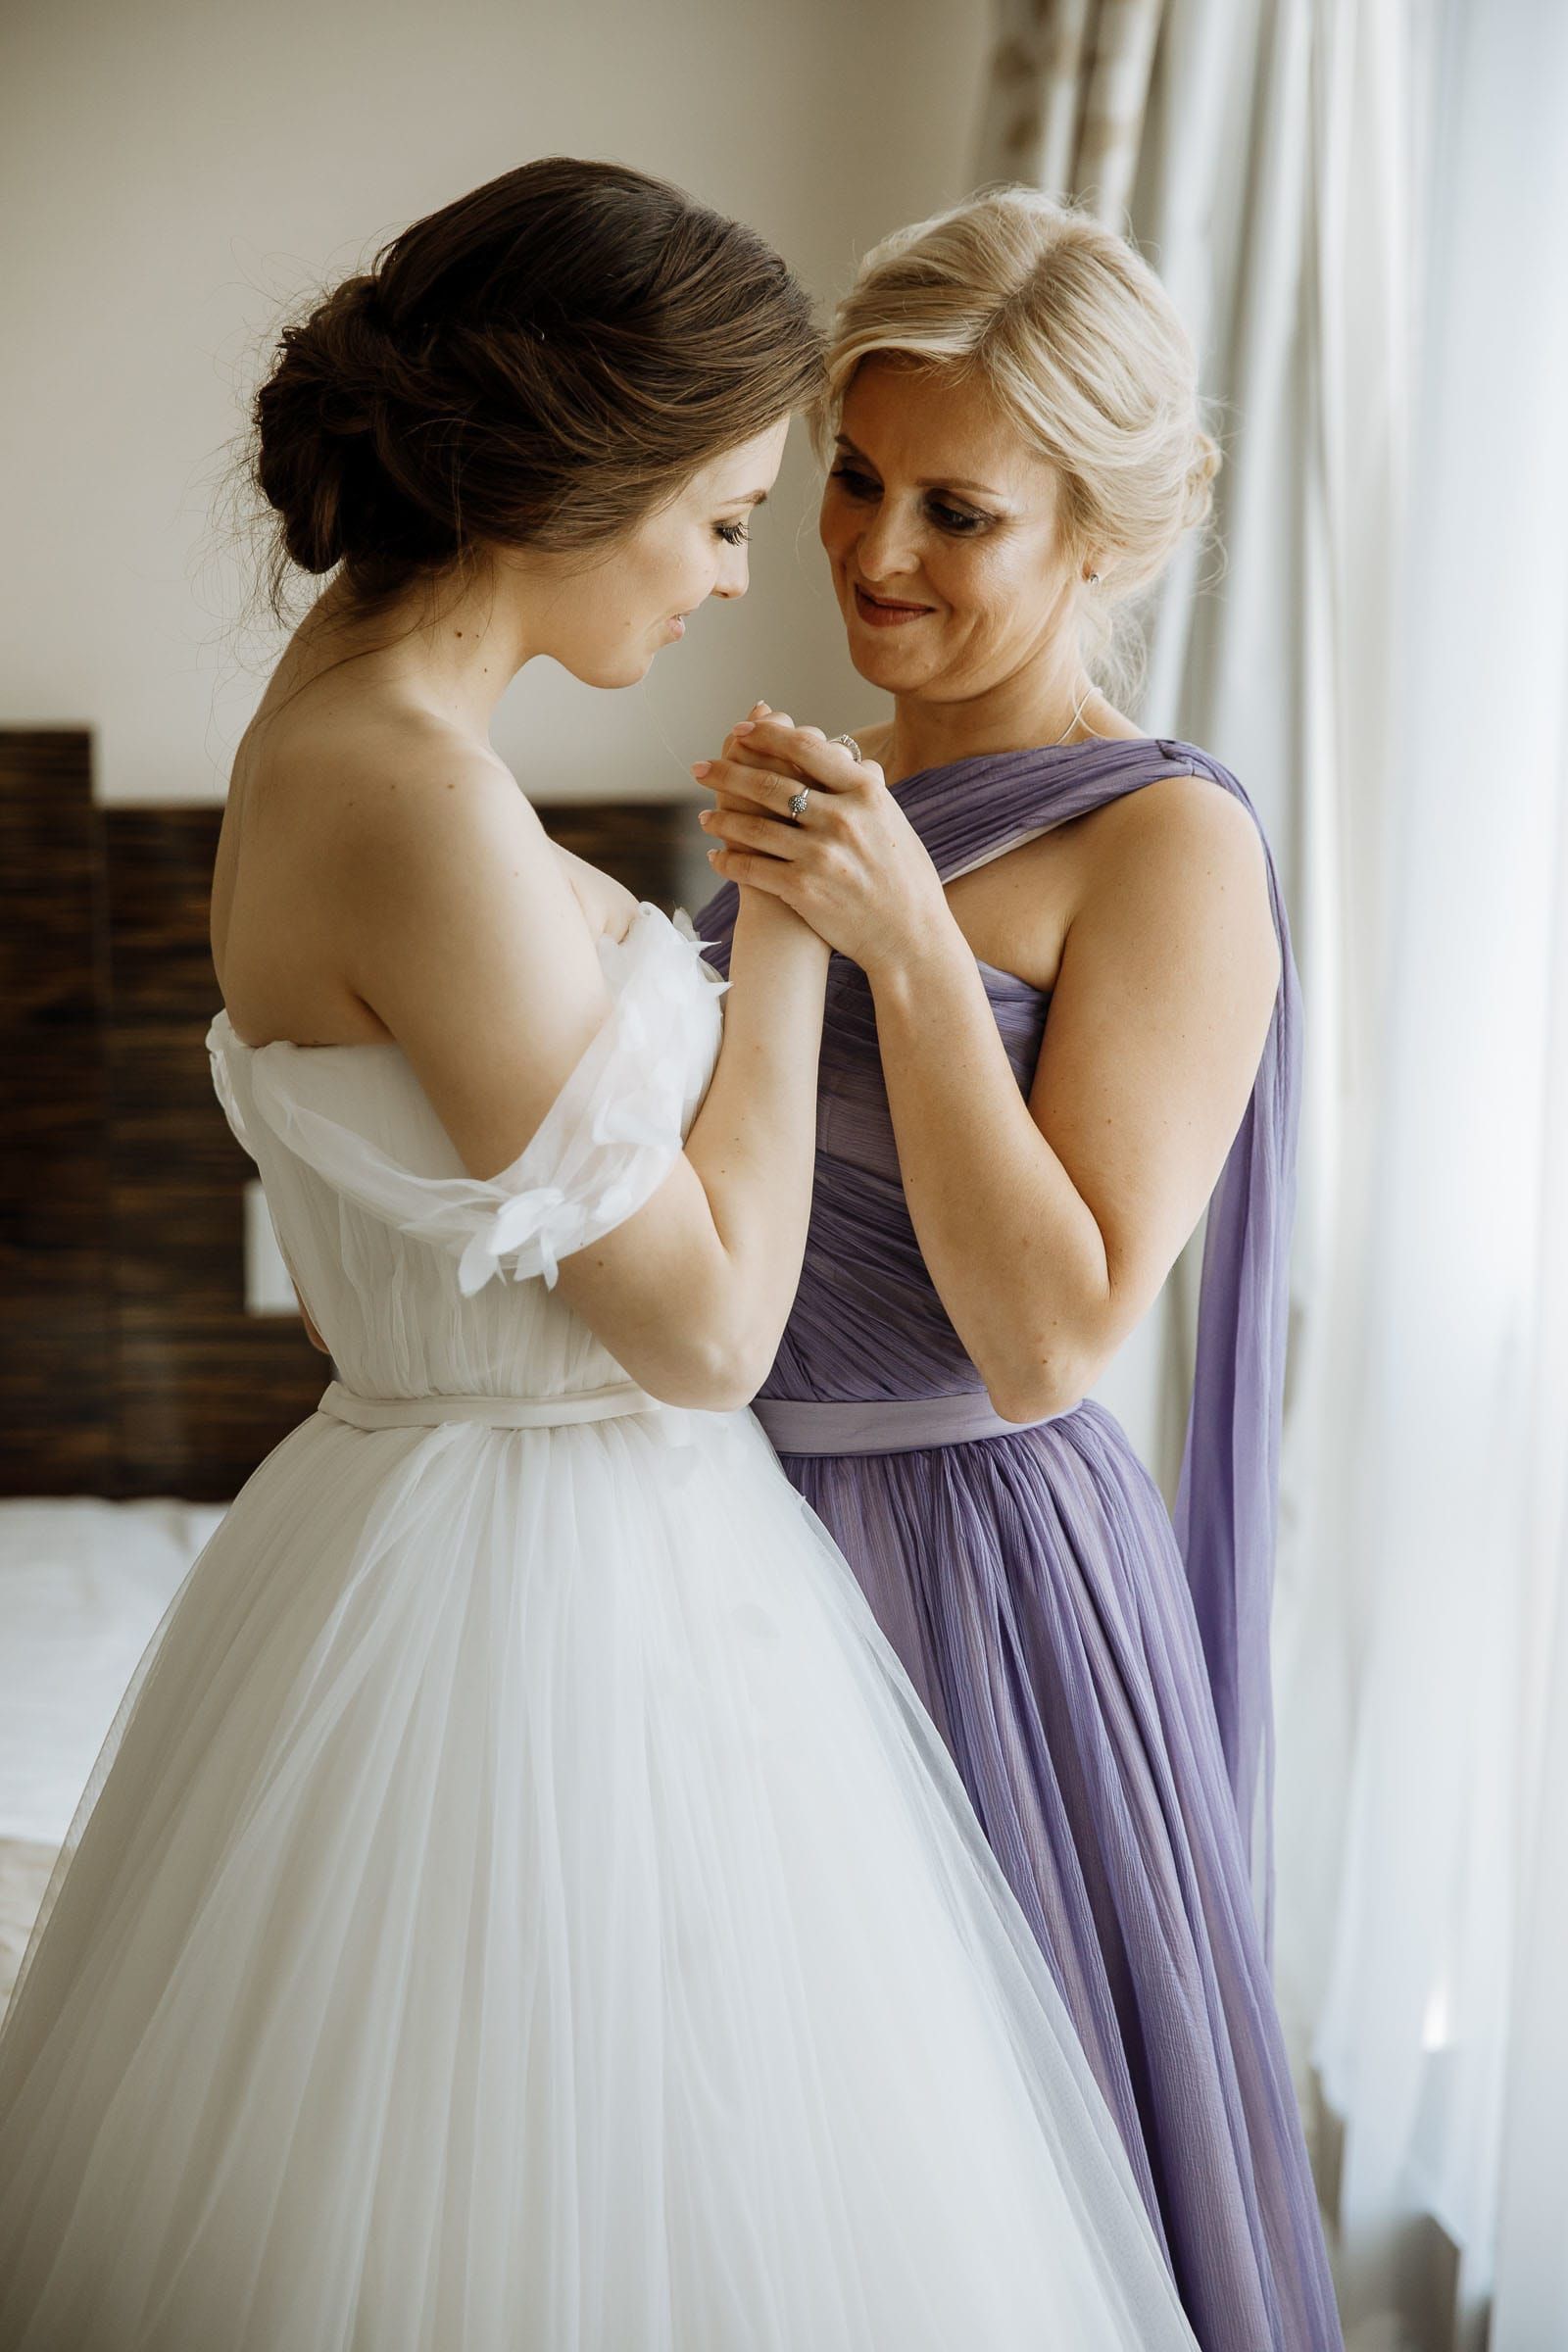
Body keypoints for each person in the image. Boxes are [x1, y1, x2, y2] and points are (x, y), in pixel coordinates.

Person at [0, 161, 1198, 2351]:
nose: (766, 568)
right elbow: (713, 1330)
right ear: (597, 469)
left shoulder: (349, 746)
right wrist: (782, 980)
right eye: (748, 505)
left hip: (512, 1535)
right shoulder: (416, 801)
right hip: (548, 1582)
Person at [694, 188, 1343, 2352]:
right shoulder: (826, 796)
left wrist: (895, 948)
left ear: (1106, 535)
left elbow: (1052, 1332)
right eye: (853, 479)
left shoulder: (1170, 844)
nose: (870, 553)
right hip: (711, 1553)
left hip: (967, 1566)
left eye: (952, 510)